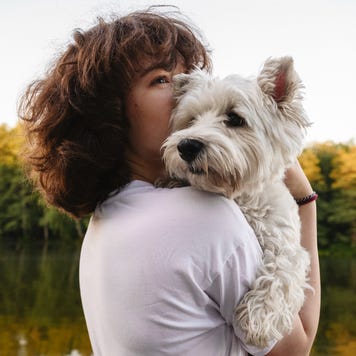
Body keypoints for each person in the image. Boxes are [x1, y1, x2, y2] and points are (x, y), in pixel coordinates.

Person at [19, 6, 320, 356]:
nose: (182, 90)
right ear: (109, 111)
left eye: (185, 77)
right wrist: (304, 200)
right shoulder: (205, 216)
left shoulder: (106, 219)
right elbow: (294, 349)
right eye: (162, 79)